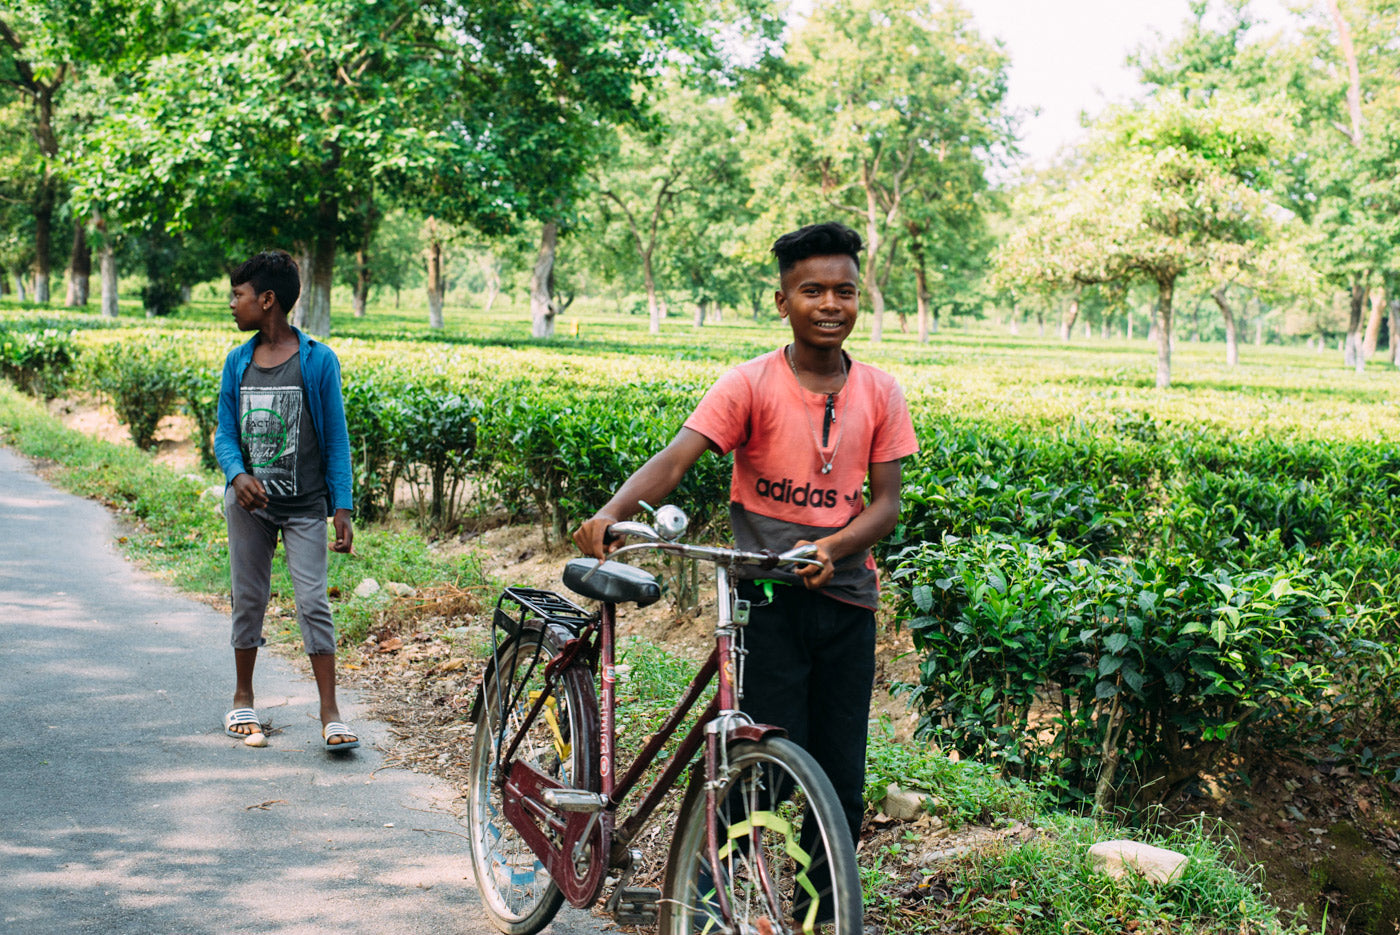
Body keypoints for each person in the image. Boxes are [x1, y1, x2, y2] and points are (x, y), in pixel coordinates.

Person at [573, 221, 919, 863]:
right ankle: (708, 900)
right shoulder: (750, 384)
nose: (830, 305)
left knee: (839, 777)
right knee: (758, 765)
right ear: (782, 301)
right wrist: (610, 513)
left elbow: (887, 507)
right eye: (811, 290)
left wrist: (835, 548)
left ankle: (825, 915)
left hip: (847, 603)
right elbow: (675, 460)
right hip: (764, 599)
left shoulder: (880, 391)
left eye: (844, 291)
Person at [214, 250, 358, 751]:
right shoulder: (237, 362)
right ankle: (242, 698)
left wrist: (343, 505)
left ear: (267, 299)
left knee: (313, 601)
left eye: (238, 295)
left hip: (304, 507)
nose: (232, 304)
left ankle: (330, 711)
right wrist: (236, 476)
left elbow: (336, 438)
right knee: (248, 598)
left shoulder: (318, 361)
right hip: (251, 508)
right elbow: (224, 434)